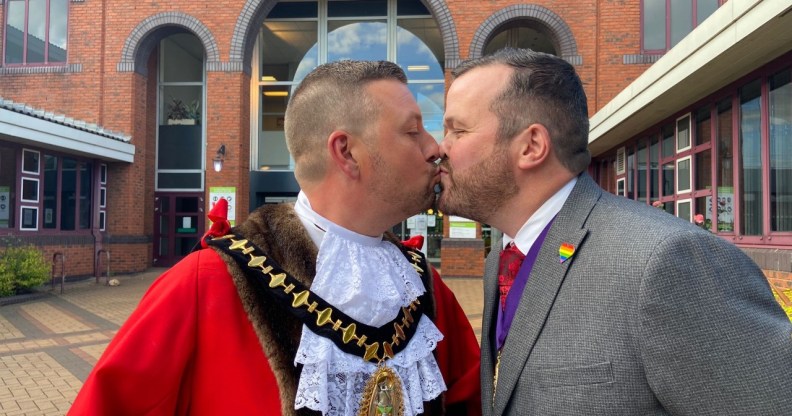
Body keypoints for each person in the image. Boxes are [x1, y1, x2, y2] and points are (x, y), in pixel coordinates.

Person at [69, 60, 481, 416]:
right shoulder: (207, 281)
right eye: (413, 132)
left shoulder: (420, 284)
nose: (435, 149)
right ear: (347, 152)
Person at [437, 48, 792, 415]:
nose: (438, 148)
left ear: (531, 146)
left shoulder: (666, 261)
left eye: (457, 130)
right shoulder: (502, 259)